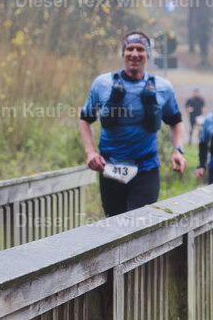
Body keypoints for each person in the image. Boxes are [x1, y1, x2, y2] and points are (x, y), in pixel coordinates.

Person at [79, 31, 187, 217]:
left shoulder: (163, 87)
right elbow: (85, 119)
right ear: (123, 53)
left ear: (148, 55)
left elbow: (176, 122)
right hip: (111, 168)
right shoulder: (102, 83)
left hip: (146, 169)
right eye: (129, 49)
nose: (134, 54)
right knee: (114, 227)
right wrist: (90, 152)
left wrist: (178, 149)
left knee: (139, 224)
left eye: (140, 49)